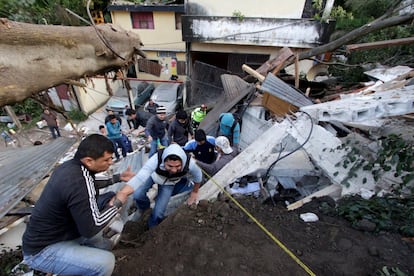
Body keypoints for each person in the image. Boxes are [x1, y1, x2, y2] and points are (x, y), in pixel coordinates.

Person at [21, 134, 135, 276]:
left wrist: (118, 178)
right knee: (106, 263)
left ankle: (82, 256)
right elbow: (91, 228)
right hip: (42, 250)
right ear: (89, 161)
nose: (110, 162)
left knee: (102, 241)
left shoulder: (71, 167)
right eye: (106, 159)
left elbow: (90, 184)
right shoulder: (78, 181)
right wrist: (119, 201)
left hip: (59, 234)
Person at [114, 143, 203, 228]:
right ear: (164, 161)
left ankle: (151, 230)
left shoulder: (189, 164)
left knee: (158, 213)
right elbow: (139, 178)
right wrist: (123, 193)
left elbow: (198, 176)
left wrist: (194, 192)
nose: (174, 170)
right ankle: (144, 210)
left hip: (169, 183)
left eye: (177, 166)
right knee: (137, 194)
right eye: (170, 166)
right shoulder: (156, 159)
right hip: (154, 176)